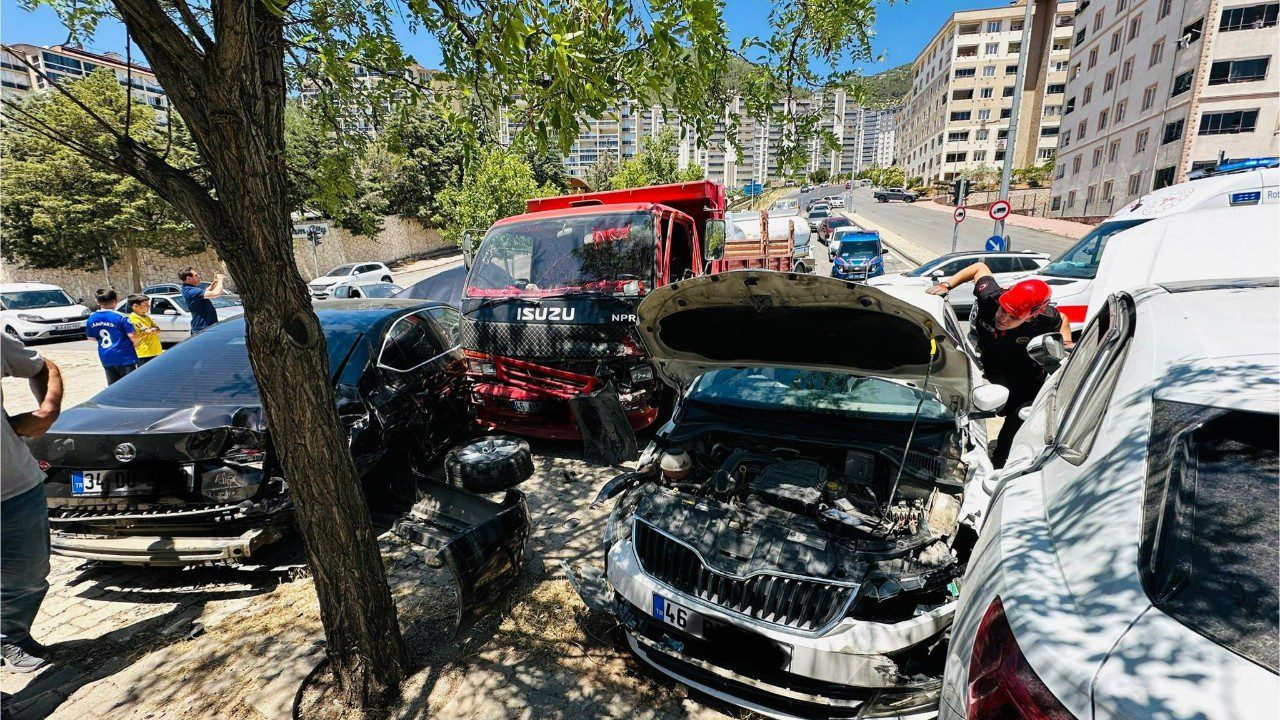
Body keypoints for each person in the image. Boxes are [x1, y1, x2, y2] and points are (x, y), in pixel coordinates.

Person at [927, 263, 1072, 467]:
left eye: (1013, 317)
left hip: (1026, 374)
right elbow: (979, 267)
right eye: (1003, 310)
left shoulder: (1046, 319)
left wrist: (1064, 342)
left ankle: (1000, 461)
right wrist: (947, 285)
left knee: (1017, 418)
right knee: (985, 405)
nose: (1003, 318)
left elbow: (1063, 318)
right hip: (992, 365)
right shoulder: (991, 297)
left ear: (1033, 315)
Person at [1, 334, 63, 673]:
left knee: (28, 577)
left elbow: (42, 367)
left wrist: (48, 411)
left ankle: (10, 635)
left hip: (13, 488)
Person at [86, 288, 138, 385]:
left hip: (106, 356)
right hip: (124, 357)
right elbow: (131, 335)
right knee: (130, 384)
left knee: (113, 386)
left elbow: (90, 338)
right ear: (116, 300)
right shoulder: (121, 317)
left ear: (97, 302)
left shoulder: (91, 318)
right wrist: (136, 344)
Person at [179, 267, 226, 334]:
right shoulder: (190, 291)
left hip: (207, 327)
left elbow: (207, 291)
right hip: (202, 329)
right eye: (196, 275)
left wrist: (215, 281)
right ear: (189, 278)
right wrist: (220, 279)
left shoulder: (190, 288)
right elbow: (215, 293)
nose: (199, 276)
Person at [126, 294, 163, 365]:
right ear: (135, 306)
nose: (149, 306)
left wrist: (153, 329)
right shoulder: (133, 318)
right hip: (145, 353)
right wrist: (152, 329)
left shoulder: (146, 317)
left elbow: (158, 330)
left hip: (156, 351)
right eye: (146, 304)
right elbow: (148, 331)